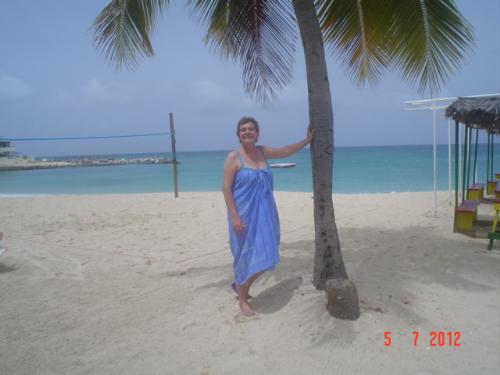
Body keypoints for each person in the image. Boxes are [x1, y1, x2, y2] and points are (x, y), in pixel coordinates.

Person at [222, 116, 314, 316]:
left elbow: (286, 150)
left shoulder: (263, 152)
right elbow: (226, 189)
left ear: (257, 134)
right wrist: (235, 216)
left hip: (265, 211)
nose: (247, 132)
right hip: (242, 215)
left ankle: (241, 286)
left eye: (251, 129)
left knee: (268, 252)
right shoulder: (233, 158)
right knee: (244, 255)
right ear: (238, 134)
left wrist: (306, 141)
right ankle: (243, 299)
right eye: (243, 130)